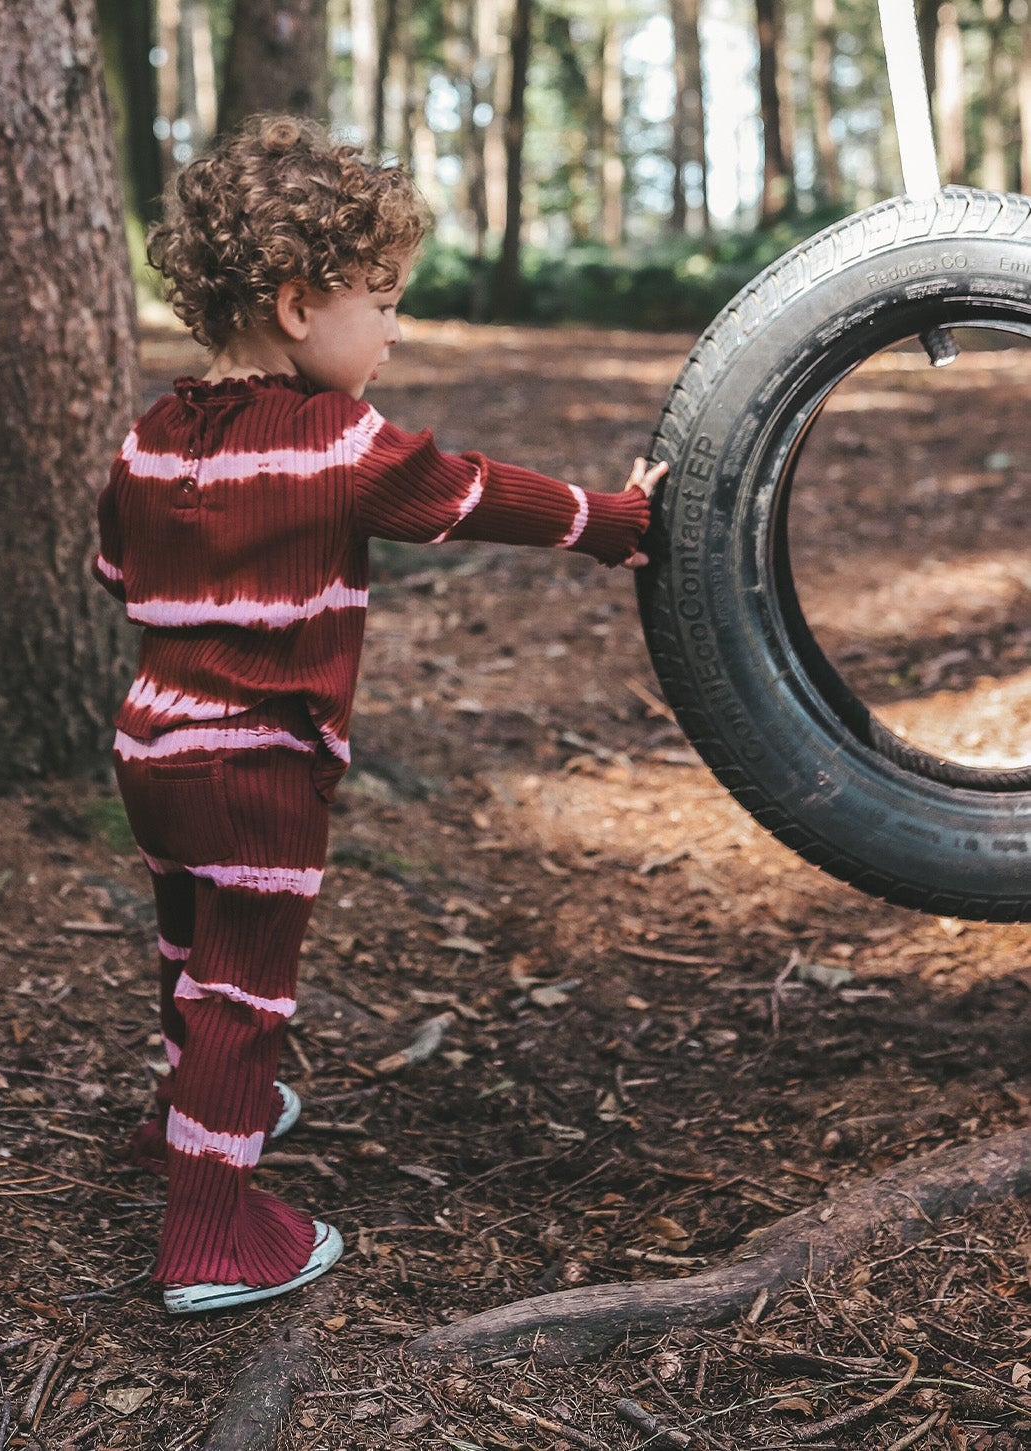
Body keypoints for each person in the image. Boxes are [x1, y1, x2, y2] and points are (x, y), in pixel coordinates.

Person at [92, 115, 667, 1315]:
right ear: (300, 303)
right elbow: (465, 494)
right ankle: (207, 1235)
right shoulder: (335, 439)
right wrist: (614, 519)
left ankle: (175, 1120)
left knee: (183, 952)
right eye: (384, 301)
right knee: (243, 992)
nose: (395, 332)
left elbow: (114, 573)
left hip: (150, 742)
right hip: (257, 763)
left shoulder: (147, 434)